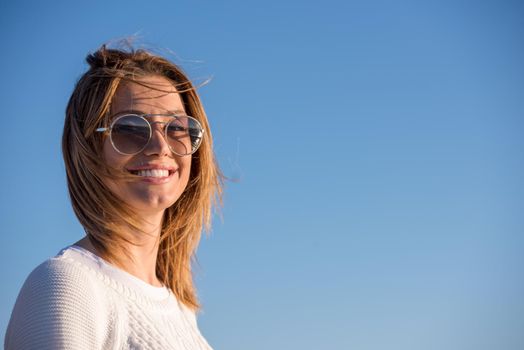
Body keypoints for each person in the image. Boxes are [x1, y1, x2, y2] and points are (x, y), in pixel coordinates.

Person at [5, 44, 222, 349]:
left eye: (177, 127)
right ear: (89, 149)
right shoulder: (67, 285)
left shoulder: (179, 309)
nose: (160, 145)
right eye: (130, 127)